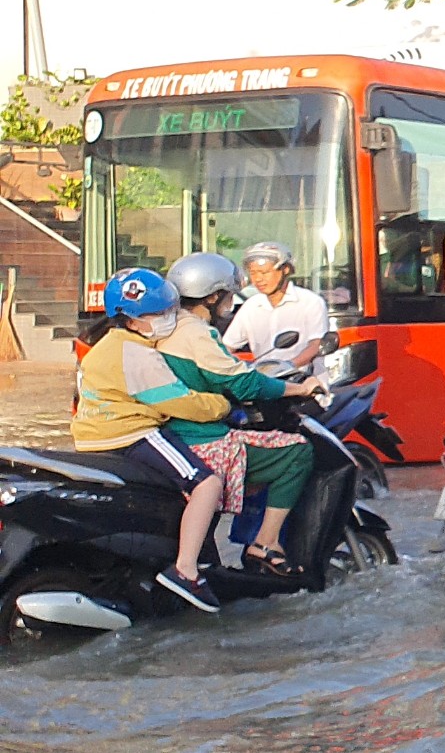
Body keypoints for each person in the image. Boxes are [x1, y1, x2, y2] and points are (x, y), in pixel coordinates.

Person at [73, 269, 233, 613]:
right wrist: (222, 405)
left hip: (92, 440)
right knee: (206, 484)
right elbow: (181, 402)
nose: (168, 319)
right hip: (130, 435)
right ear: (133, 319)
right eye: (160, 313)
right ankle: (186, 571)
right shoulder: (136, 354)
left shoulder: (106, 346)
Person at [160, 252, 319, 579]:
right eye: (228, 294)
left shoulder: (166, 327)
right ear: (213, 295)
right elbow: (243, 383)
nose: (231, 301)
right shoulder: (197, 333)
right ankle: (265, 542)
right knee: (297, 450)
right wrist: (298, 390)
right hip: (201, 439)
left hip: (170, 438)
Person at [223, 240, 333, 372]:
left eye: (264, 272)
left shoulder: (310, 302)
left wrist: (288, 366)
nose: (258, 279)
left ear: (285, 269)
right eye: (253, 273)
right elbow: (228, 346)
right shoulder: (251, 306)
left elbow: (316, 345)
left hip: (305, 379)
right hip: (266, 381)